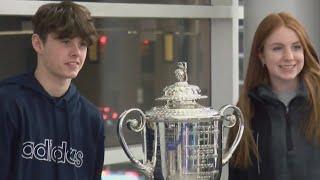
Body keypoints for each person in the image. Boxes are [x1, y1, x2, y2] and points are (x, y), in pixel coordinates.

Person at [0, 1, 105, 180]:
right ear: (38, 44)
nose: (76, 53)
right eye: (66, 41)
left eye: (82, 44)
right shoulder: (7, 103)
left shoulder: (91, 118)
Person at [227, 12, 320, 180]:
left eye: (296, 47)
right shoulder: (244, 112)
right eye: (277, 48)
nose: (289, 57)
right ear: (261, 55)